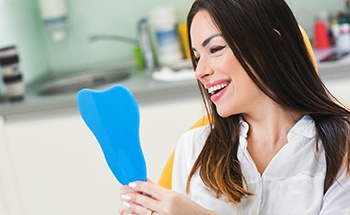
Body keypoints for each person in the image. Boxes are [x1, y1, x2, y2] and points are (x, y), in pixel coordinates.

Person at [119, 0, 350, 214]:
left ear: (271, 45)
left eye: (216, 49)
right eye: (197, 57)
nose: (200, 71)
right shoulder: (194, 148)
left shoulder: (341, 147)